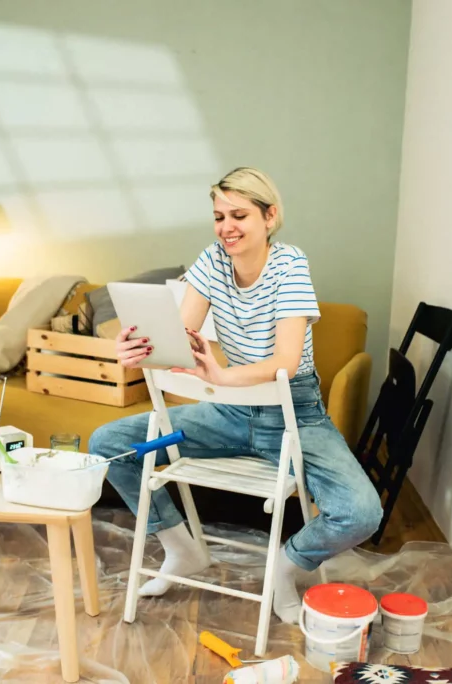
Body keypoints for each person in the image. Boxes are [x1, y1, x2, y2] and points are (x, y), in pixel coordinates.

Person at [88, 167, 382, 624]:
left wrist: (222, 377)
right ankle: (182, 551)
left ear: (270, 217)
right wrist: (138, 350)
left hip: (294, 416)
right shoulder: (211, 261)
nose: (227, 226)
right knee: (108, 444)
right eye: (219, 215)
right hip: (227, 413)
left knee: (362, 512)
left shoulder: (289, 264)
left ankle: (283, 570)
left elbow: (285, 361)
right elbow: (180, 342)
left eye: (239, 214)